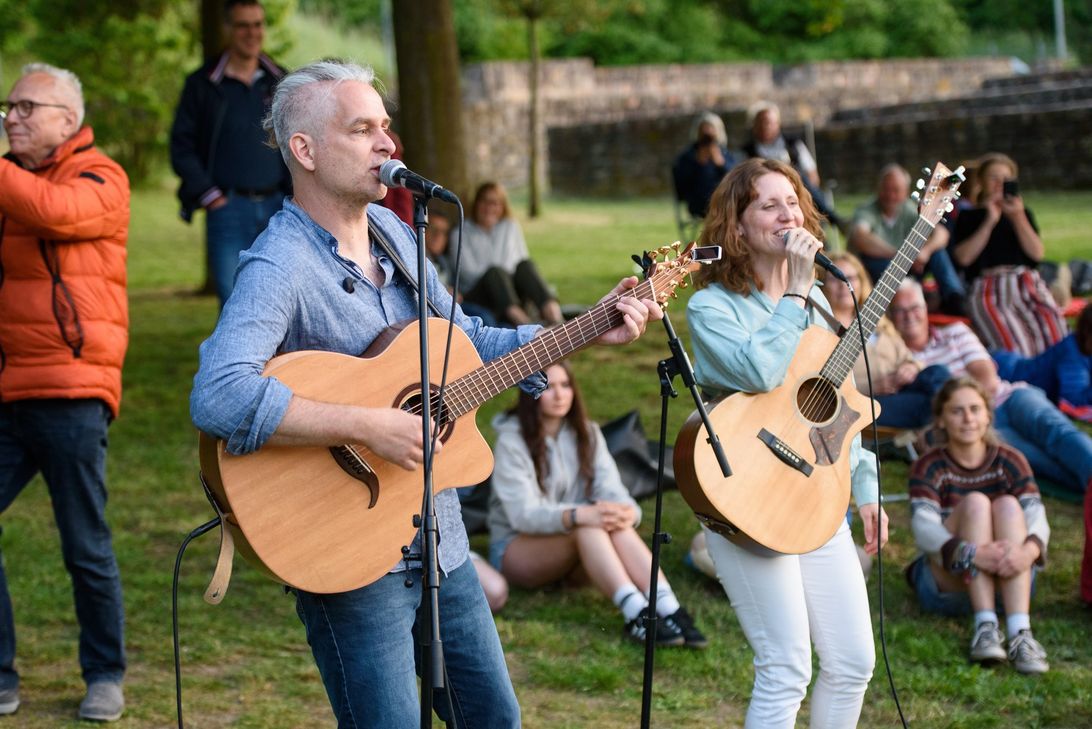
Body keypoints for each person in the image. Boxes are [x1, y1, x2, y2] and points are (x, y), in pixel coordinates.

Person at [189, 60, 661, 728]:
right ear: (306, 150)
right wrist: (366, 424)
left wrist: (584, 328)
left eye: (387, 127)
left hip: (441, 537)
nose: (389, 145)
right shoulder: (280, 263)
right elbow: (219, 393)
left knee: (496, 720)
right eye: (364, 129)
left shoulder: (397, 236)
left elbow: (461, 344)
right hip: (346, 548)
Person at [686, 157, 888, 727]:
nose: (787, 213)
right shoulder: (711, 307)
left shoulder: (821, 309)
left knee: (853, 661)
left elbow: (835, 409)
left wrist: (867, 489)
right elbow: (761, 374)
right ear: (738, 225)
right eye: (769, 204)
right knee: (786, 668)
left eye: (792, 201)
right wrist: (796, 293)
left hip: (812, 492)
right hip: (744, 495)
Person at [0, 63, 129, 721]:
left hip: (73, 388)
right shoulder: (10, 183)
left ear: (67, 121)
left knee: (84, 543)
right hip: (8, 388)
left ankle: (106, 672)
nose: (12, 116)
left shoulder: (101, 178)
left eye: (27, 106)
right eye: (9, 106)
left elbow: (55, 212)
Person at [488, 361, 707, 648]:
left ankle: (668, 607)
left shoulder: (587, 433)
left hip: (575, 542)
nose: (559, 395)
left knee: (609, 522)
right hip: (517, 549)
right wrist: (579, 515)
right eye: (548, 387)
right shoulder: (511, 441)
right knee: (588, 525)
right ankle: (636, 614)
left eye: (565, 386)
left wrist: (627, 512)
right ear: (530, 393)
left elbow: (612, 489)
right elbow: (522, 515)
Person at [891, 278, 1092, 495]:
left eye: (914, 308)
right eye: (900, 311)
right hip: (975, 424)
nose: (910, 316)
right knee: (1034, 459)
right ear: (890, 316)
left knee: (1058, 432)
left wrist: (970, 406)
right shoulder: (896, 360)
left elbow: (986, 375)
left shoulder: (955, 332)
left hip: (1008, 397)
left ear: (925, 308)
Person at [906, 377, 1050, 674]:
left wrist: (1028, 553)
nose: (968, 418)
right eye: (957, 411)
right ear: (942, 420)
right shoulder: (929, 464)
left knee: (1009, 506)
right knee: (975, 504)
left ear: (988, 415)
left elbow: (1036, 515)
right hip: (947, 585)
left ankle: (1020, 633)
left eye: (975, 409)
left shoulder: (1010, 459)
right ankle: (985, 625)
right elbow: (923, 528)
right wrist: (972, 554)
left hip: (1009, 579)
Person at [169, 0, 290, 307]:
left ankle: (284, 359)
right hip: (228, 209)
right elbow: (181, 147)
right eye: (243, 25)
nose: (252, 33)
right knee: (234, 303)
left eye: (258, 25)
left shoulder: (282, 82)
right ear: (227, 29)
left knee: (283, 299)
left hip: (280, 208)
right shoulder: (203, 84)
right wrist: (210, 196)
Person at [928, 152, 1066, 356]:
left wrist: (1017, 217)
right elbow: (963, 258)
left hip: (1023, 281)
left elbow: (1036, 253)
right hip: (987, 287)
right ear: (982, 181)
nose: (1000, 183)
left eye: (1006, 179)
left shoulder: (1022, 214)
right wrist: (989, 220)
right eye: (994, 177)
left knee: (1054, 329)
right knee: (1013, 340)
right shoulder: (969, 216)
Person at [821, 251, 949, 429]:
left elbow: (910, 359)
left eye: (851, 277)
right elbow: (823, 389)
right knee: (928, 404)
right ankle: (945, 425)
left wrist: (910, 368)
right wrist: (873, 386)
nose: (844, 284)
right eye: (835, 278)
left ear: (861, 281)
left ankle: (945, 420)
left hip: (901, 390)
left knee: (938, 373)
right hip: (864, 402)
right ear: (823, 285)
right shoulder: (822, 327)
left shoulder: (878, 320)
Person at [849, 163, 965, 313]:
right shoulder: (867, 210)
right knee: (878, 263)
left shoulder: (909, 208)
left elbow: (942, 234)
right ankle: (900, 306)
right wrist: (902, 255)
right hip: (882, 271)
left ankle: (954, 298)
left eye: (896, 190)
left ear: (906, 192)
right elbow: (860, 237)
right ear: (878, 189)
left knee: (938, 253)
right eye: (886, 189)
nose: (890, 195)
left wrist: (925, 251)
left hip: (911, 267)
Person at [458, 182, 563, 326]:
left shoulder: (510, 227)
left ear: (502, 207)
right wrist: (500, 276)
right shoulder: (460, 233)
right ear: (476, 203)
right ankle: (530, 329)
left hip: (509, 291)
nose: (489, 207)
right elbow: (467, 275)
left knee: (526, 265)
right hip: (481, 295)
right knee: (495, 273)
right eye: (484, 201)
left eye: (495, 203)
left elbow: (520, 261)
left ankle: (557, 320)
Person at [742, 101, 846, 232]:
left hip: (798, 189)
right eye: (761, 122)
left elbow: (812, 174)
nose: (765, 126)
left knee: (799, 176)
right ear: (754, 126)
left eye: (769, 122)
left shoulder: (793, 143)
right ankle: (833, 219)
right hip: (764, 194)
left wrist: (799, 194)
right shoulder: (747, 151)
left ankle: (825, 226)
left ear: (777, 124)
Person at [992, 303, 1092, 413]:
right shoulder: (1072, 354)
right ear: (1087, 332)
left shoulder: (1081, 348)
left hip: (1010, 364)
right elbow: (1072, 402)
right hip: (1002, 371)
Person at [425, 209, 497, 326]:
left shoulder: (444, 261)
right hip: (436, 311)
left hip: (455, 305)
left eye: (443, 232)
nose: (438, 236)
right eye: (433, 229)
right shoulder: (418, 259)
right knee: (485, 318)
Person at [672, 110, 736, 218]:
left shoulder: (725, 154)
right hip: (699, 203)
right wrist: (698, 164)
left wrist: (721, 164)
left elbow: (736, 178)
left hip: (724, 201)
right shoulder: (688, 156)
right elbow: (681, 185)